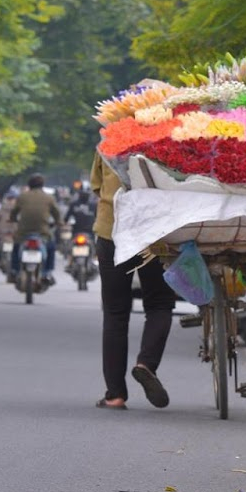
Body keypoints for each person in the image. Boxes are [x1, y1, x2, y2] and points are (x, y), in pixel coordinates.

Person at [91, 154, 174, 411]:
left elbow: (97, 186)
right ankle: (145, 364)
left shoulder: (108, 143)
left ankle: (115, 395)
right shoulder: (167, 141)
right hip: (155, 233)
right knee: (159, 304)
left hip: (111, 230)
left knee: (115, 313)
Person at [9, 173, 60, 283]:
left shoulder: (22, 196)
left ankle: (14, 270)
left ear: (29, 184)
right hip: (42, 231)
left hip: (23, 231)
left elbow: (14, 212)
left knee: (16, 246)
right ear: (42, 185)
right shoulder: (49, 198)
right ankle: (47, 272)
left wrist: (12, 219)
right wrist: (59, 222)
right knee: (51, 246)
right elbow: (56, 213)